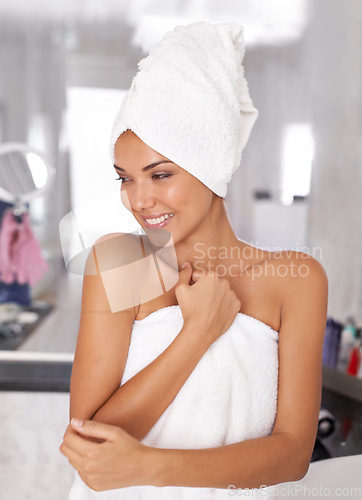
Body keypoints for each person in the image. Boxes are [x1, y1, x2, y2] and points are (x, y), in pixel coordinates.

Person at [59, 21, 328, 499]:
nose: (139, 200)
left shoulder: (296, 280)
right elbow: (88, 447)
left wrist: (148, 465)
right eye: (125, 178)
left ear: (213, 165)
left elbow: (292, 456)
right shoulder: (120, 261)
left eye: (160, 175)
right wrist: (198, 332)